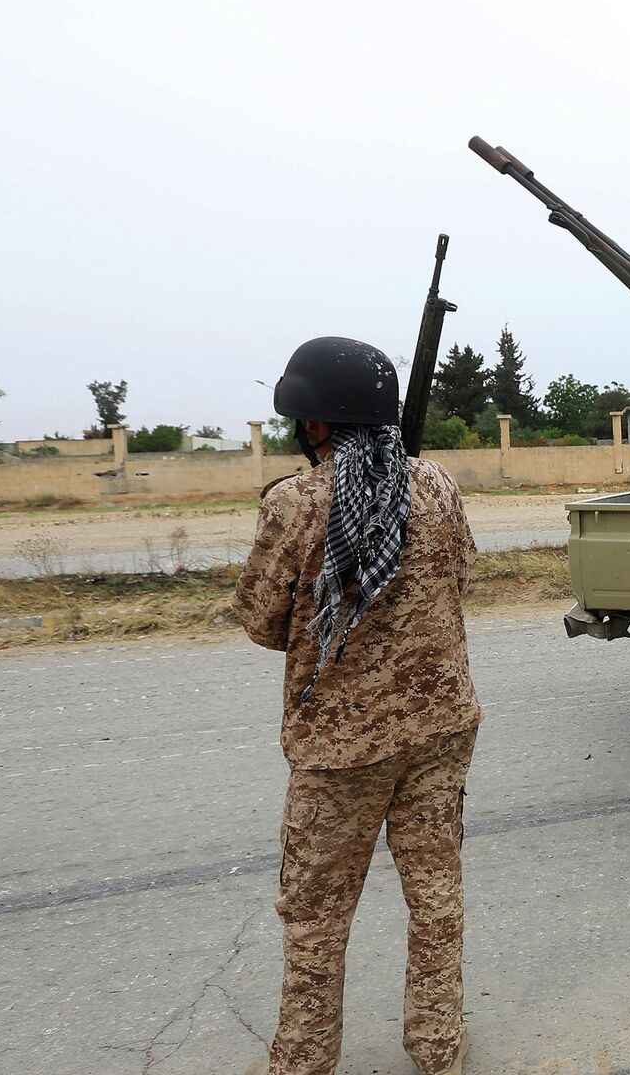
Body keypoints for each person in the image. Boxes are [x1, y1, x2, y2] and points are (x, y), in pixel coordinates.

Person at [233, 336, 481, 1075]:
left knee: (314, 914)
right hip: (443, 725)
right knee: (435, 893)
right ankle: (439, 1048)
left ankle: (304, 1062)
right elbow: (460, 576)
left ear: (314, 425)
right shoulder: (435, 485)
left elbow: (261, 621)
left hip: (340, 749)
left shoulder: (295, 501)